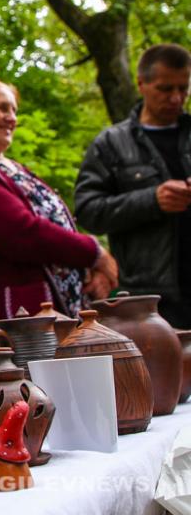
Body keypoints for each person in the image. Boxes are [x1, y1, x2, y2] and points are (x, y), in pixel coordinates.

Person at [0, 75, 118, 339]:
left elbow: (57, 226)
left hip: (64, 316)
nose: (11, 117)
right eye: (2, 108)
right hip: (20, 324)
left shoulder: (18, 170)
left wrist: (88, 272)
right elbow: (22, 233)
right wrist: (94, 253)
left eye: (14, 110)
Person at [75, 44, 191, 329]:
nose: (176, 98)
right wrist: (152, 200)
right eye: (165, 89)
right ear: (142, 83)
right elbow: (88, 211)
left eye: (183, 88)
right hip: (152, 303)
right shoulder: (111, 144)